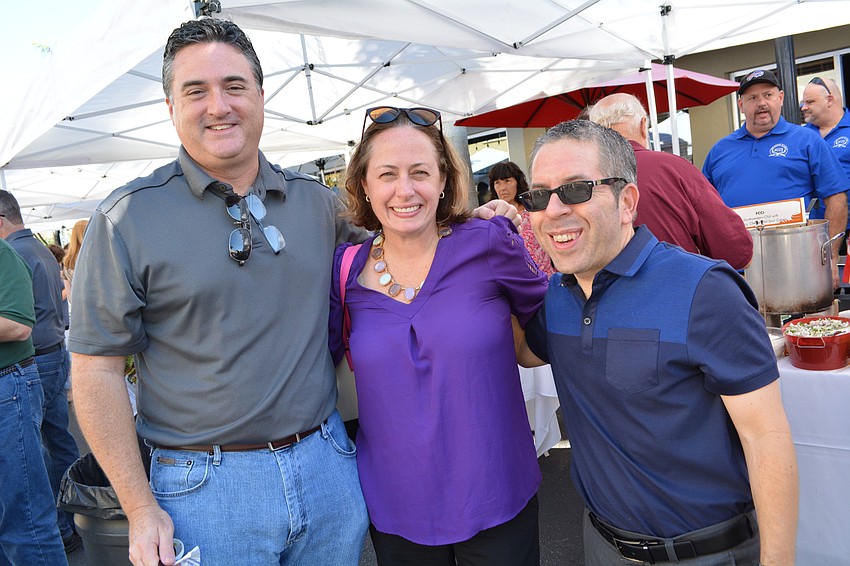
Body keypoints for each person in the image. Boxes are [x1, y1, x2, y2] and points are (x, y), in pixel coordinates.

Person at [68, 18, 517, 566]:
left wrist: (470, 223)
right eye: (196, 91)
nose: (219, 106)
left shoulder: (319, 205)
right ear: (170, 106)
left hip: (327, 468)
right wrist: (139, 508)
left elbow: (406, 234)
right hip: (205, 491)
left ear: (261, 97)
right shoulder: (126, 219)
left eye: (234, 86)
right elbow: (95, 371)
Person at [515, 119, 798, 565]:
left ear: (627, 202)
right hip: (601, 546)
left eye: (575, 189)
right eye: (538, 195)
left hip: (707, 553)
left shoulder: (705, 290)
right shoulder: (558, 296)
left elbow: (766, 437)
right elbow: (523, 351)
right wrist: (476, 249)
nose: (552, 211)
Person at [330, 106, 548, 565]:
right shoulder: (344, 271)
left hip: (497, 492)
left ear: (444, 179)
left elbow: (551, 326)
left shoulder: (488, 241)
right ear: (364, 185)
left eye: (420, 172)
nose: (405, 190)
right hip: (396, 504)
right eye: (387, 174)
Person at [703, 69, 849, 284]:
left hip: (798, 265)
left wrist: (830, 256)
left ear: (780, 98)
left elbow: (836, 198)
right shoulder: (719, 150)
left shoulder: (807, 140)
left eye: (768, 95)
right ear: (741, 105)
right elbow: (703, 207)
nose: (761, 103)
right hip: (736, 271)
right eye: (752, 98)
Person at [0, 191, 81, 555]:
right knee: (55, 445)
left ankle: (66, 526)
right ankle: (74, 521)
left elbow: (19, 325)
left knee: (34, 466)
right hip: (51, 353)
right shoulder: (38, 250)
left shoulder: (15, 251)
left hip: (33, 363)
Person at [589, 93, 753, 269]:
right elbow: (737, 253)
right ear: (643, 125)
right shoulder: (675, 168)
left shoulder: (581, 180)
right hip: (679, 281)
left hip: (604, 285)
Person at [801, 76, 850, 252]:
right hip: (812, 233)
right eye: (803, 102)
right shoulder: (801, 136)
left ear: (829, 100)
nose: (803, 107)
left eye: (810, 102)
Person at [490, 161, 556, 276]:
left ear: (517, 182)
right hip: (514, 279)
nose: (502, 188)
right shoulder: (491, 218)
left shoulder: (534, 210)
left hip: (546, 276)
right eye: (497, 183)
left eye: (507, 181)